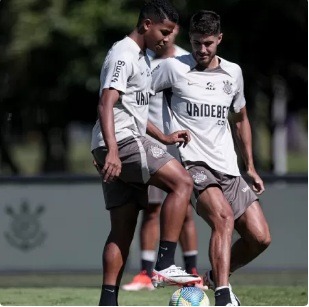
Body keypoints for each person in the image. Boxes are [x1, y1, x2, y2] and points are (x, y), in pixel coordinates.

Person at [150, 10, 271, 306]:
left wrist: (250, 167)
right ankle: (223, 297)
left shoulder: (233, 73)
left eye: (207, 43)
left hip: (229, 167)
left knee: (260, 238)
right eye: (195, 43)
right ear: (189, 40)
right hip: (194, 164)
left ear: (219, 39)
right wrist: (158, 135)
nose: (201, 50)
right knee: (223, 218)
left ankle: (215, 278)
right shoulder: (171, 68)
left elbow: (241, 119)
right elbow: (133, 96)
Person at [91, 1, 201, 305]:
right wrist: (112, 149)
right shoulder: (123, 55)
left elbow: (134, 110)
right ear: (146, 25)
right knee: (183, 182)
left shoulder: (142, 58)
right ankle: (165, 262)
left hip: (117, 142)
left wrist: (163, 136)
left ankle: (107, 301)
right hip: (122, 143)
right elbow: (106, 103)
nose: (167, 39)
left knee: (122, 230)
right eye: (164, 32)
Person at [121, 26, 204, 292]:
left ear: (177, 32)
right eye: (162, 30)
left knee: (185, 210)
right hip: (147, 145)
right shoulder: (143, 62)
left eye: (170, 31)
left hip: (179, 145)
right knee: (151, 210)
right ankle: (147, 274)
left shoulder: (184, 61)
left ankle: (191, 270)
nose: (165, 36)